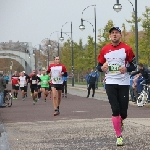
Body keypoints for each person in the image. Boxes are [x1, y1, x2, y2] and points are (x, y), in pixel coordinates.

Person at [97, 27, 136, 146]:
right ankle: (119, 136)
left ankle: (120, 121)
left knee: (123, 113)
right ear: (109, 36)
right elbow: (98, 66)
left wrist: (127, 68)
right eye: (112, 33)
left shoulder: (127, 49)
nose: (114, 35)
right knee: (115, 110)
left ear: (120, 35)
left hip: (123, 82)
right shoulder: (105, 49)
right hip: (110, 82)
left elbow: (133, 66)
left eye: (116, 33)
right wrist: (102, 68)